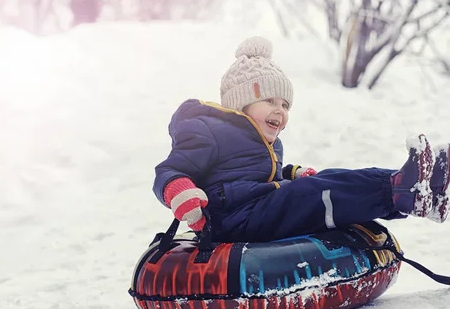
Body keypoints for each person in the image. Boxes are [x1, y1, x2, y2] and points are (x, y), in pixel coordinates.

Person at [152, 36, 450, 243]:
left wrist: (290, 173)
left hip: (260, 208)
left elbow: (258, 175)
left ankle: (418, 188)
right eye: (269, 100)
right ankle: (402, 192)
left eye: (285, 105)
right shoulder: (208, 129)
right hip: (232, 219)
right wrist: (180, 190)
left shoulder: (267, 142)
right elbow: (170, 170)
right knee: (311, 192)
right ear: (240, 103)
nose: (279, 111)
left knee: (330, 177)